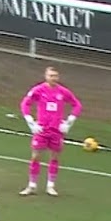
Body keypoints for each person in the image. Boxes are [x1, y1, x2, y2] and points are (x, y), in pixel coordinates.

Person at [19, 66, 82, 197]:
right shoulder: (38, 90)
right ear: (46, 76)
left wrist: (69, 122)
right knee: (35, 156)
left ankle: (51, 186)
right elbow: (25, 103)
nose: (53, 78)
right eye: (51, 75)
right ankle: (32, 185)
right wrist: (31, 121)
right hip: (41, 129)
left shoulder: (63, 91)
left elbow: (77, 105)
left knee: (54, 157)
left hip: (56, 131)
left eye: (55, 76)